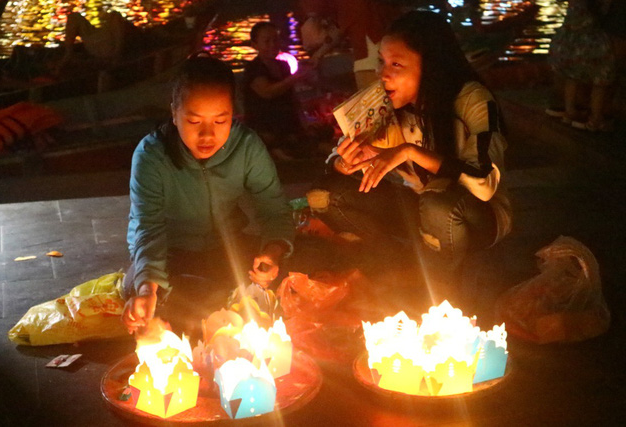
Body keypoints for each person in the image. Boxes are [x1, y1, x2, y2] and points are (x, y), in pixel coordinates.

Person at [308, 10, 512, 305]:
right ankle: (400, 265)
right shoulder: (383, 103)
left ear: (430, 67)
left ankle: (444, 291)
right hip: (418, 206)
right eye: (381, 61)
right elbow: (333, 162)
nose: (382, 74)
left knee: (438, 202)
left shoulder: (472, 100)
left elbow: (482, 183)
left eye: (396, 64)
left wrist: (410, 151)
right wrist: (346, 161)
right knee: (324, 196)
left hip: (476, 215)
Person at [121, 55, 295, 337]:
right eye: (193, 120)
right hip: (170, 255)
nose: (207, 134)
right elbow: (147, 228)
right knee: (160, 296)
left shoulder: (247, 147)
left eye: (220, 120)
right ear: (174, 114)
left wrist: (272, 252)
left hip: (225, 248)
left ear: (233, 114)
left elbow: (273, 207)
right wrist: (146, 288)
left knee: (295, 273)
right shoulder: (152, 155)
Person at [242, 21, 314, 160]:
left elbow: (292, 98)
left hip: (287, 124)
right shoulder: (254, 68)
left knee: (318, 134)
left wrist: (304, 120)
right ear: (255, 45)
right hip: (265, 125)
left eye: (275, 40)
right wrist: (295, 78)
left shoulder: (283, 66)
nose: (272, 45)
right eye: (267, 41)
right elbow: (267, 92)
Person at [298, 0, 401, 90]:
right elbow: (340, 29)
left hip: (368, 54)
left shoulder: (349, 4)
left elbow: (339, 28)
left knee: (374, 106)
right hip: (377, 50)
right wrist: (319, 54)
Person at [547, 0, 616, 132]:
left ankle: (570, 111)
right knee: (600, 82)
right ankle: (596, 119)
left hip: (571, 44)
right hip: (594, 45)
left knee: (572, 78)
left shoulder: (574, 5)